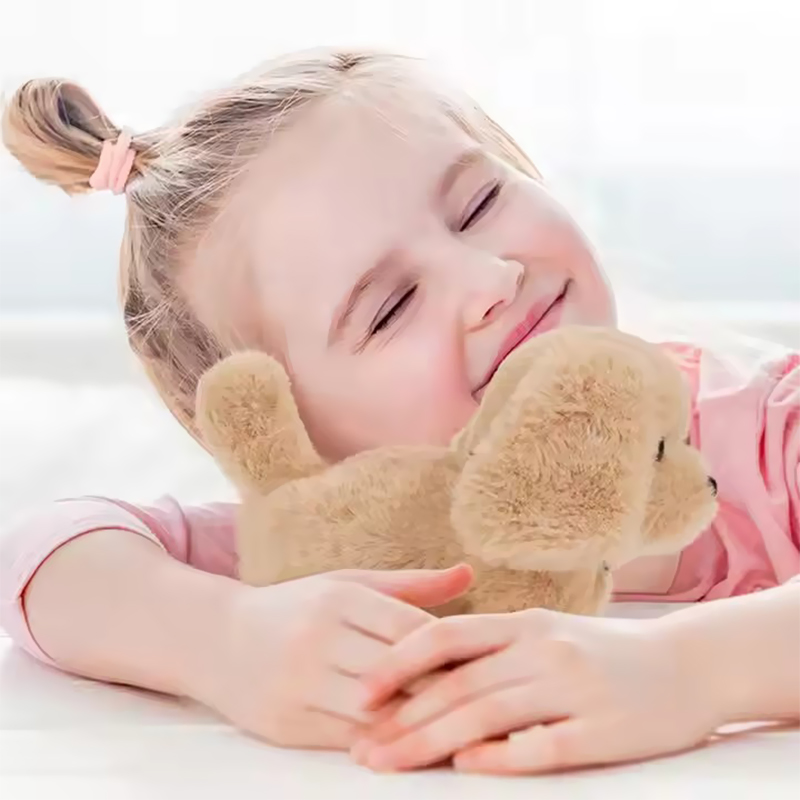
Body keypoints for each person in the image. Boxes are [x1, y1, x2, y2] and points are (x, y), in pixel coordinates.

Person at [0, 47, 797, 774]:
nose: (490, 279)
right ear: (290, 431)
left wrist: (687, 672)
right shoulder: (350, 546)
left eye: (479, 204)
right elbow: (42, 555)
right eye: (389, 308)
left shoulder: (771, 442)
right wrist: (226, 640)